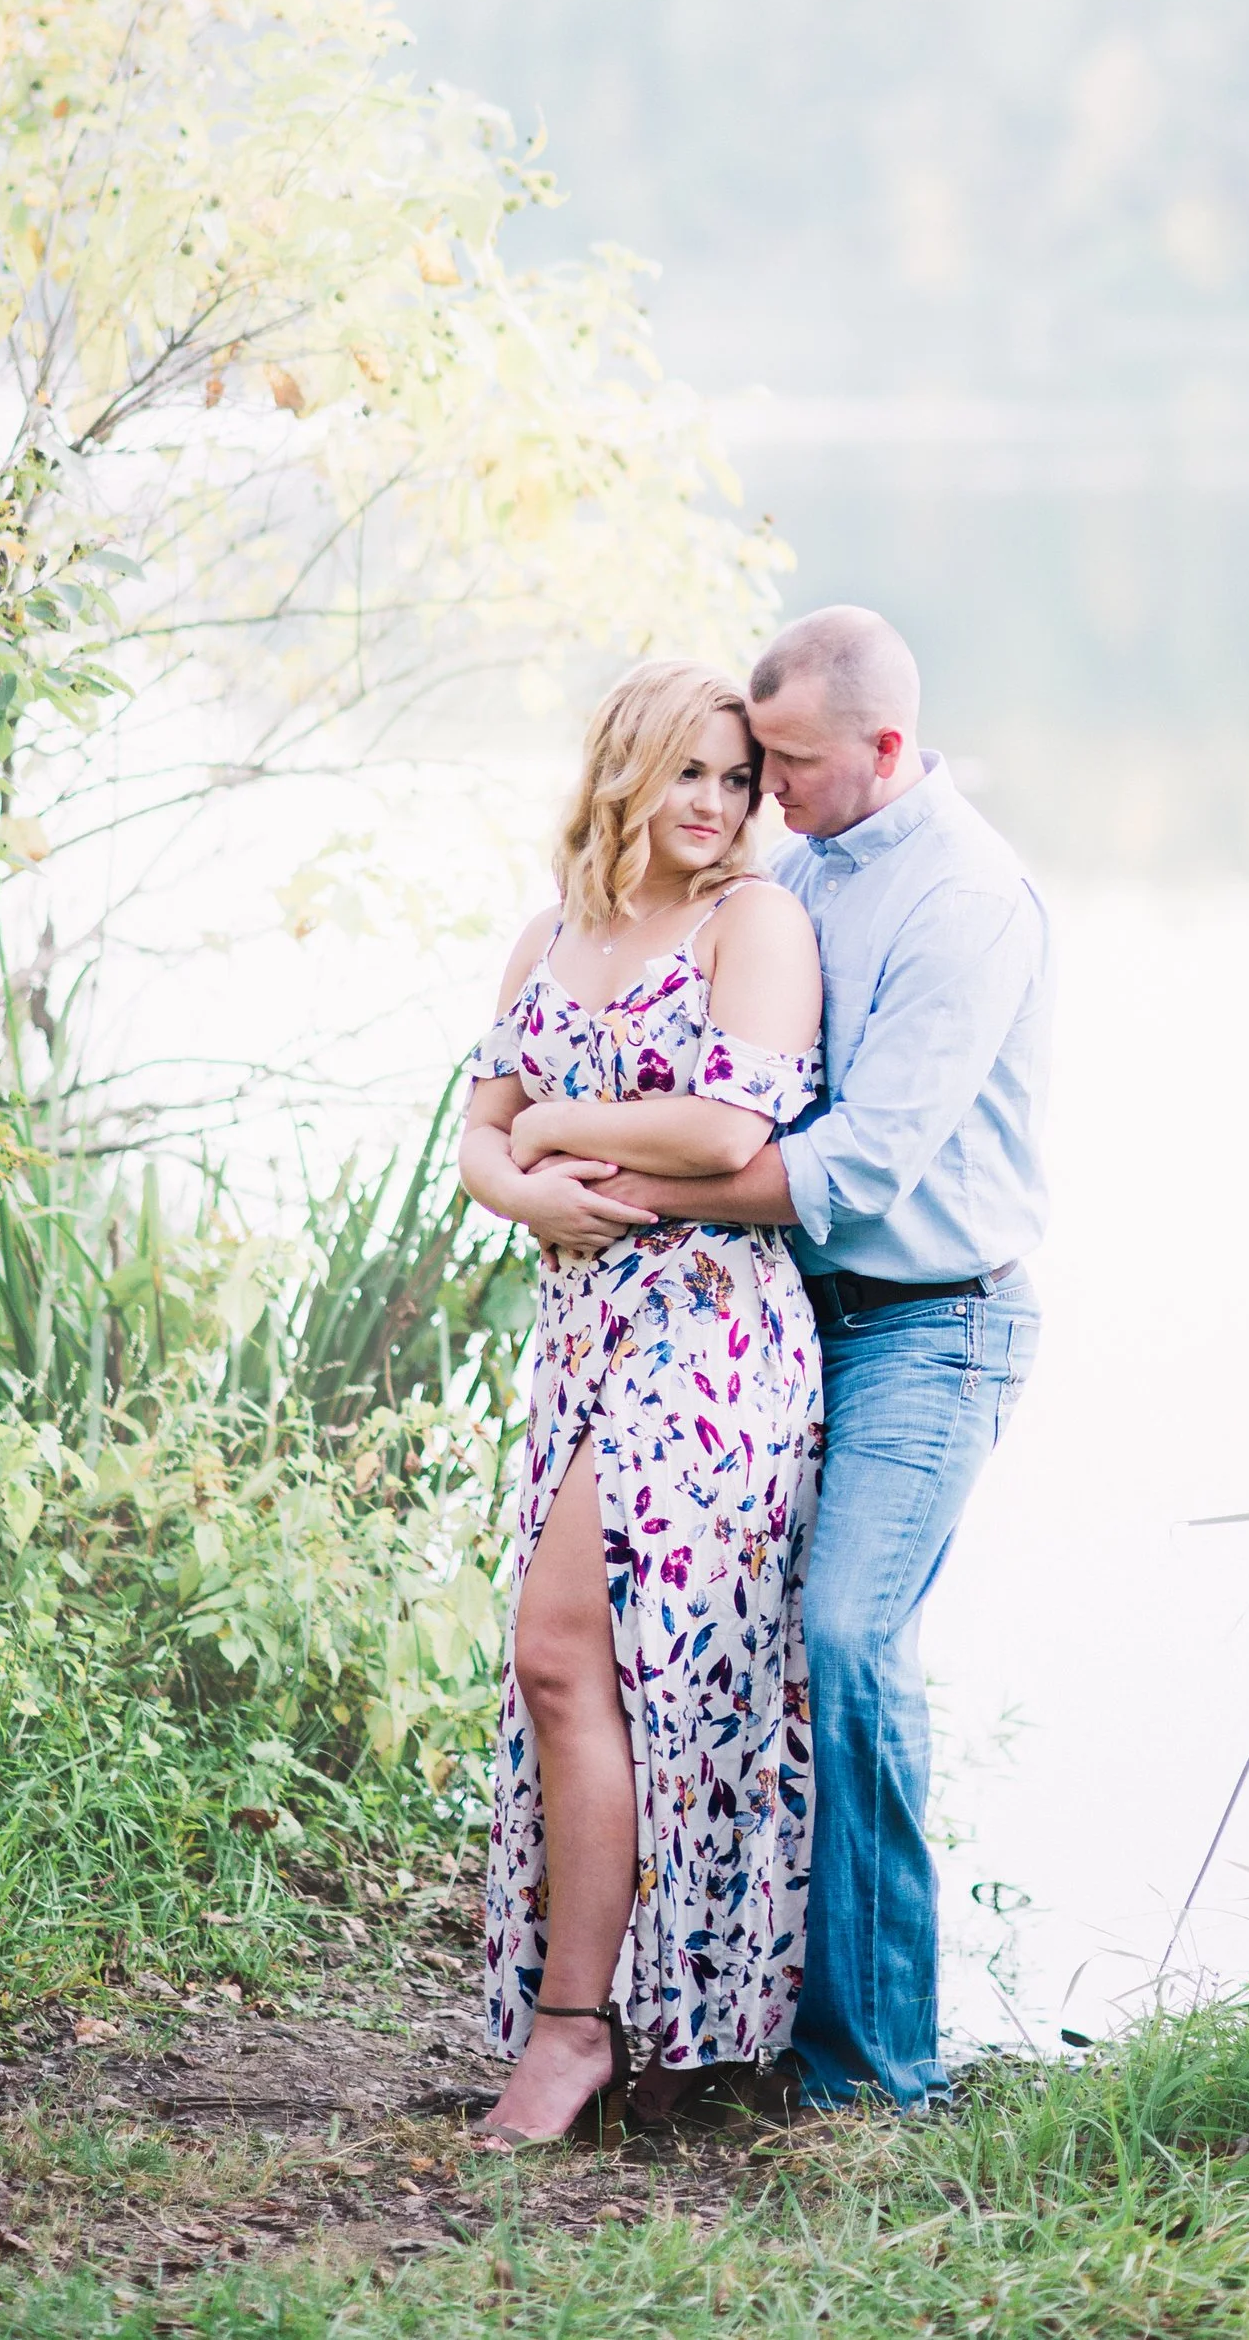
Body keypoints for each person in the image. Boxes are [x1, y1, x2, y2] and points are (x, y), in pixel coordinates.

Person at [585, 604, 1050, 2109]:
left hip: (932, 1321)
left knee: (848, 1635)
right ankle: (723, 2021)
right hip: (786, 1317)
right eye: (753, 759)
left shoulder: (968, 901)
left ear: (888, 748)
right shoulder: (796, 870)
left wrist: (637, 1187)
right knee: (724, 1649)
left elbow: (856, 1162)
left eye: (789, 761)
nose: (764, 788)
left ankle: (876, 2073)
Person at [456, 658, 826, 2147]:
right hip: (582, 1333)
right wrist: (518, 1167)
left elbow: (727, 1121)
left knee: (564, 1650)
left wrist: (557, 1125)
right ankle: (640, 2015)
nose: (722, 805)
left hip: (715, 1332)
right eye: (694, 773)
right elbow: (477, 1136)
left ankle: (574, 2032)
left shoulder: (758, 920)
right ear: (626, 769)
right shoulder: (552, 935)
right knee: (599, 1678)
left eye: (741, 779)